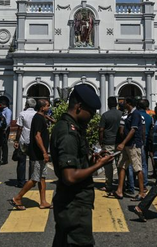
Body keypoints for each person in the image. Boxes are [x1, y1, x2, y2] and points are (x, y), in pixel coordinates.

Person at [50, 84, 114, 247]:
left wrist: (92, 161)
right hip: (74, 204)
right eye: (91, 113)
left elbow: (76, 163)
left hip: (71, 203)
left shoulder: (71, 127)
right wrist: (98, 165)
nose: (92, 117)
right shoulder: (69, 133)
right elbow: (70, 176)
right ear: (79, 107)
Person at [10, 99, 53, 210]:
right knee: (34, 179)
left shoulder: (40, 117)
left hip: (39, 153)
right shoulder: (38, 118)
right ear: (42, 108)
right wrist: (44, 152)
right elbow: (37, 136)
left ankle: (43, 201)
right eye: (47, 106)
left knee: (42, 177)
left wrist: (48, 118)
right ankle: (18, 197)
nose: (49, 107)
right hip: (37, 153)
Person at [114, 98, 147, 201]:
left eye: (124, 102)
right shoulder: (129, 114)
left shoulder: (135, 114)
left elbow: (133, 130)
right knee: (121, 165)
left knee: (137, 168)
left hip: (133, 145)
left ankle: (141, 192)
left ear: (129, 103)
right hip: (127, 145)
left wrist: (123, 143)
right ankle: (119, 190)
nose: (122, 104)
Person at [98, 97, 122, 192]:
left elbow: (101, 130)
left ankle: (109, 184)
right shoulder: (121, 114)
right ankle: (121, 184)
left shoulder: (105, 115)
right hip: (119, 142)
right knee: (120, 164)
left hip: (108, 142)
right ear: (116, 104)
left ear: (108, 104)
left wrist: (101, 141)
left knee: (108, 165)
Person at [15, 99, 37, 187]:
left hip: (23, 140)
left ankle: (21, 182)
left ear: (26, 104)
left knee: (21, 162)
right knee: (33, 162)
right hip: (33, 141)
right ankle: (31, 181)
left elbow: (19, 128)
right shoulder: (36, 114)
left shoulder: (22, 114)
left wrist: (16, 140)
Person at [137, 99, 153, 181]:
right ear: (147, 107)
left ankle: (132, 183)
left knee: (134, 163)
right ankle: (144, 181)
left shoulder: (134, 115)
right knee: (144, 163)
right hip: (145, 141)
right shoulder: (149, 117)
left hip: (135, 141)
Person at [0, 99, 13, 166]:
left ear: (4, 105)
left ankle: (4, 159)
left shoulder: (7, 111)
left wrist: (5, 129)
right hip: (1, 128)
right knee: (1, 143)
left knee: (4, 144)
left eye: (0, 105)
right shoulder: (2, 111)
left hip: (5, 129)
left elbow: (8, 121)